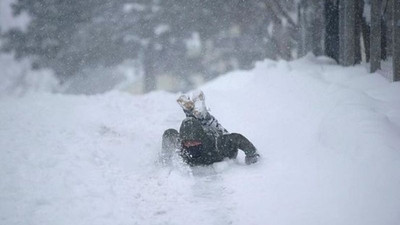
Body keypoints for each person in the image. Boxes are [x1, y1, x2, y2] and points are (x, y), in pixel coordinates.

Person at [161, 91, 260, 166]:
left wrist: (252, 155)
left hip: (214, 133)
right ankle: (193, 112)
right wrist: (165, 157)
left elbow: (237, 139)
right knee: (194, 125)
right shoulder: (180, 147)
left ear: (200, 140)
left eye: (194, 142)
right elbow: (169, 134)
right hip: (197, 131)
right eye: (187, 142)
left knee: (214, 126)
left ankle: (199, 113)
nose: (191, 145)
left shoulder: (218, 145)